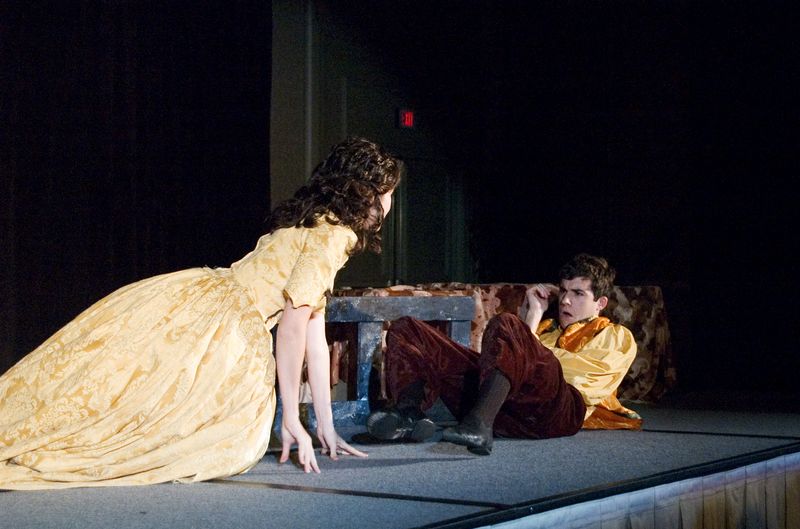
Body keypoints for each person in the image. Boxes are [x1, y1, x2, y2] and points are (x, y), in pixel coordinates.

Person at [0, 136, 402, 489]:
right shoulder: (334, 236)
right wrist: (291, 417)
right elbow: (293, 328)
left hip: (205, 295)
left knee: (117, 379)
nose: (390, 203)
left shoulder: (313, 221)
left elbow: (314, 334)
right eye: (388, 193)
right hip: (228, 326)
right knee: (206, 429)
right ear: (367, 193)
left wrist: (324, 425)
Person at [366, 253, 640, 455]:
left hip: (558, 413)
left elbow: (586, 378)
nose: (566, 300)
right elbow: (504, 361)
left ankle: (478, 424)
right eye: (565, 291)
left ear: (600, 303)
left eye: (578, 293)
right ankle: (408, 412)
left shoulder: (616, 335)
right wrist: (533, 320)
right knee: (407, 328)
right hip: (507, 411)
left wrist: (529, 333)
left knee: (506, 323)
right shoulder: (545, 329)